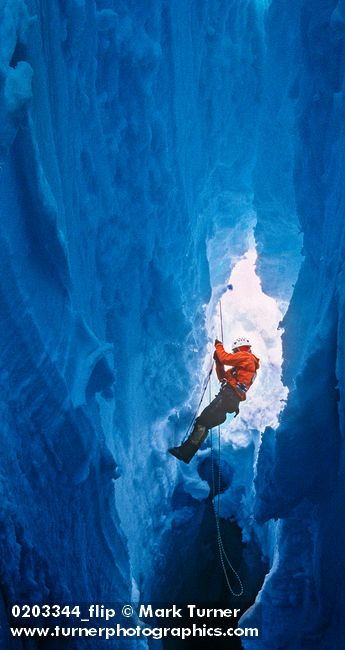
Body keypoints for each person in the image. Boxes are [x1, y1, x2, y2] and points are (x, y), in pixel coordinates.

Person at [168, 336, 260, 464]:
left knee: (202, 421)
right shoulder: (241, 368)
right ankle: (186, 453)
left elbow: (225, 358)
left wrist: (219, 345)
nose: (235, 354)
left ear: (240, 349)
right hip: (229, 400)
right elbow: (223, 377)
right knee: (203, 423)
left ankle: (185, 453)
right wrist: (218, 363)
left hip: (227, 397)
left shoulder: (247, 357)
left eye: (235, 352)